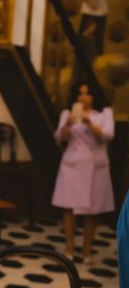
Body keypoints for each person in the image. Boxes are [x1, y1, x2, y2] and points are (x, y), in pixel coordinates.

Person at [51, 82, 114, 263]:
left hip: (95, 165)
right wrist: (67, 126)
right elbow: (58, 137)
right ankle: (69, 248)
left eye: (87, 94)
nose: (83, 98)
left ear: (94, 96)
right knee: (69, 207)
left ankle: (88, 250)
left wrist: (90, 124)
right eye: (80, 94)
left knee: (92, 210)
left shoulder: (104, 113)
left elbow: (108, 135)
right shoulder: (67, 113)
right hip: (73, 164)